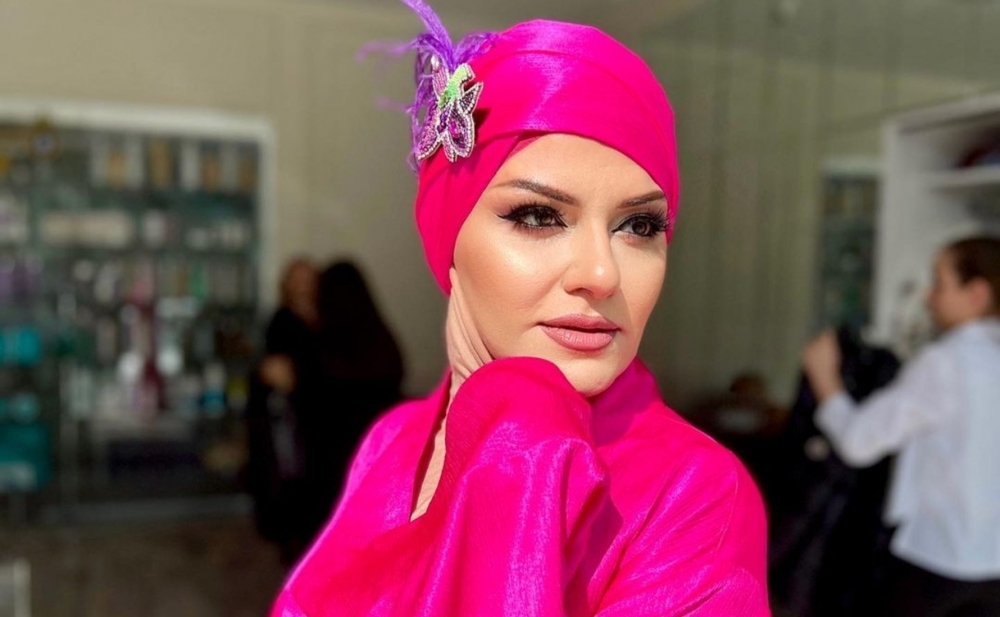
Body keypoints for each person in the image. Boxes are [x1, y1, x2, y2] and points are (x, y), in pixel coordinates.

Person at [271, 2, 769, 615]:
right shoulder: (394, 440)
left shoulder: (697, 495)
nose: (601, 274)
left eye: (639, 225)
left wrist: (522, 429)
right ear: (450, 234)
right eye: (538, 216)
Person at [803, 236, 1000, 617]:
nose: (928, 296)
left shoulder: (947, 362)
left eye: (940, 284)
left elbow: (859, 442)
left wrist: (825, 380)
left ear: (976, 294)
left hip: (939, 556)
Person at [246, 257, 321, 563]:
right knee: (290, 478)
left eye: (308, 278)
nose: (303, 285)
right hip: (288, 417)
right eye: (297, 278)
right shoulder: (281, 320)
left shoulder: (328, 318)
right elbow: (274, 371)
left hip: (316, 414)